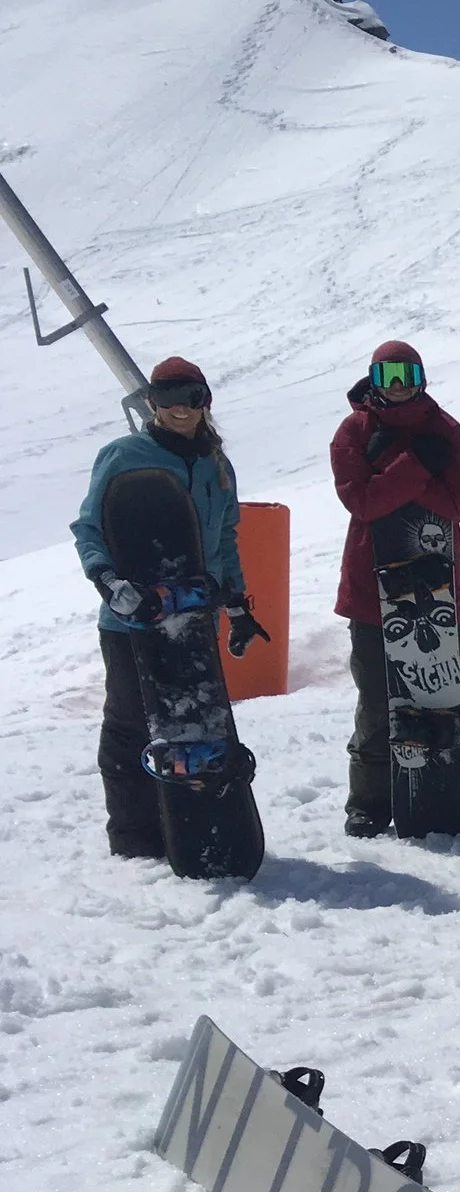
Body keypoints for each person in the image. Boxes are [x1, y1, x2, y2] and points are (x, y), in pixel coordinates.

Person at [71, 357, 261, 859]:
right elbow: (89, 527)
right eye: (167, 397)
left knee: (196, 724)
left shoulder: (217, 465)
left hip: (193, 617)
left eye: (191, 396)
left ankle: (191, 823)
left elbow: (223, 540)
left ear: (206, 401)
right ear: (152, 403)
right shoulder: (123, 455)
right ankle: (134, 835)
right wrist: (107, 580)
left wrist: (238, 605)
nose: (180, 407)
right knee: (133, 720)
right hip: (131, 620)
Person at [328, 341, 460, 836]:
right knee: (376, 700)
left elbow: (457, 505)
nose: (398, 385)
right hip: (374, 590)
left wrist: (394, 475)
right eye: (388, 375)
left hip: (434, 587)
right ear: (373, 378)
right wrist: (416, 467)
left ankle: (451, 791)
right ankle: (369, 801)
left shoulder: (446, 429)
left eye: (406, 374)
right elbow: (363, 503)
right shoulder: (354, 431)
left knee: (441, 693)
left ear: (422, 375)